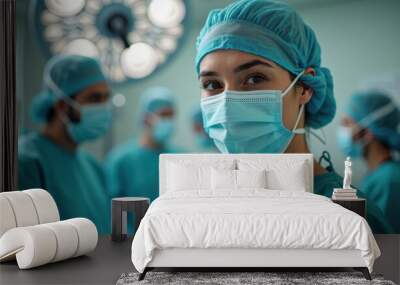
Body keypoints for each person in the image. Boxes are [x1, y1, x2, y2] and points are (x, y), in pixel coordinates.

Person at [195, 0, 341, 197]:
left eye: (255, 78)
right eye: (212, 84)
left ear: (305, 87)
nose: (228, 102)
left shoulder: (349, 213)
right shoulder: (213, 206)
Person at [18, 55, 112, 234]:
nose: (104, 107)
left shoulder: (93, 166)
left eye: (106, 97)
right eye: (95, 98)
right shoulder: (27, 162)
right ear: (62, 105)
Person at [337, 90, 400, 233]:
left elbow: (388, 242)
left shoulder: (388, 180)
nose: (342, 130)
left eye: (347, 123)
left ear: (367, 132)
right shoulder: (378, 175)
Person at [106, 87, 181, 202]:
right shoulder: (121, 160)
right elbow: (110, 208)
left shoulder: (179, 158)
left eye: (171, 115)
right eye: (163, 115)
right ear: (146, 118)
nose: (168, 120)